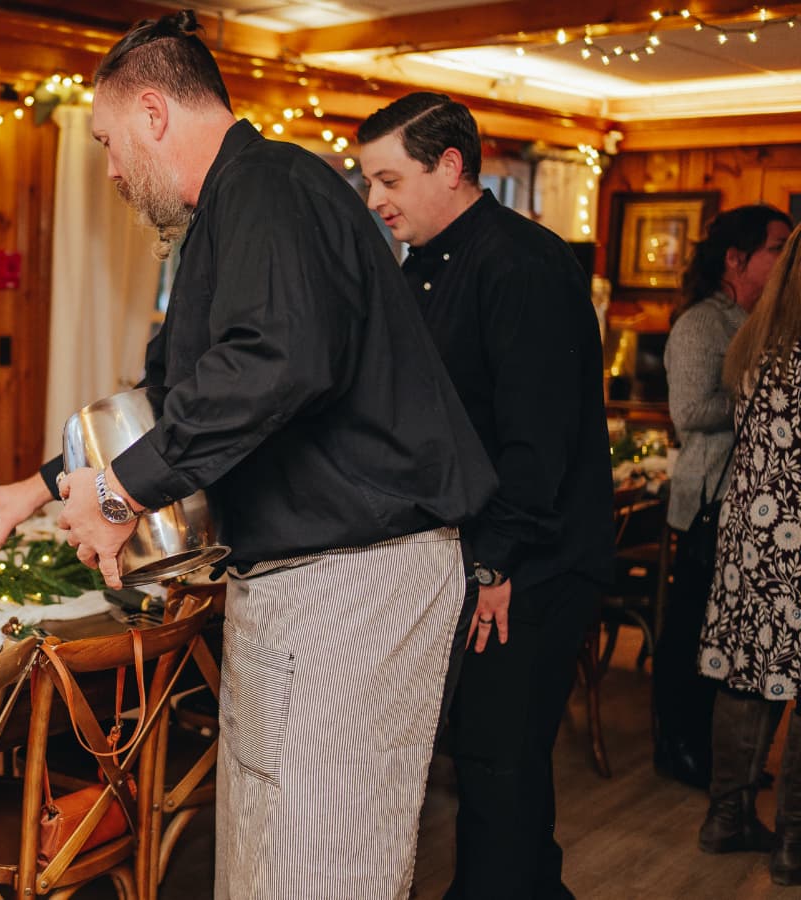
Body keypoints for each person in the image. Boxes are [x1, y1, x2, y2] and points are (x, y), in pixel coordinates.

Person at [0, 14, 496, 898]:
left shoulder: (272, 187)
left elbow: (276, 361)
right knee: (267, 852)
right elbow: (168, 392)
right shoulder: (227, 213)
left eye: (110, 142)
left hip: (356, 576)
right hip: (308, 579)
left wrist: (120, 494)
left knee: (322, 863)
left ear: (155, 112)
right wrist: (40, 485)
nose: (114, 170)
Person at [357, 92, 614, 900]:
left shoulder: (522, 265)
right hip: (484, 555)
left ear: (452, 167)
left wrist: (496, 566)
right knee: (492, 765)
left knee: (498, 765)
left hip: (532, 564)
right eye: (368, 181)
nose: (375, 201)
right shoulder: (426, 264)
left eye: (388, 178)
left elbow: (536, 443)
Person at [660, 206, 794, 788]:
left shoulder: (764, 319)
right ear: (736, 259)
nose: (784, 257)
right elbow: (689, 413)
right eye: (775, 246)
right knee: (694, 632)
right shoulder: (701, 324)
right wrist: (761, 406)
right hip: (708, 503)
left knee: (728, 636)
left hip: (748, 507)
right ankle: (680, 746)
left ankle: (724, 763)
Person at [697, 227, 801, 883]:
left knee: (747, 675)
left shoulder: (754, 344)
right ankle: (793, 843)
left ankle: (725, 819)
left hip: (750, 534)